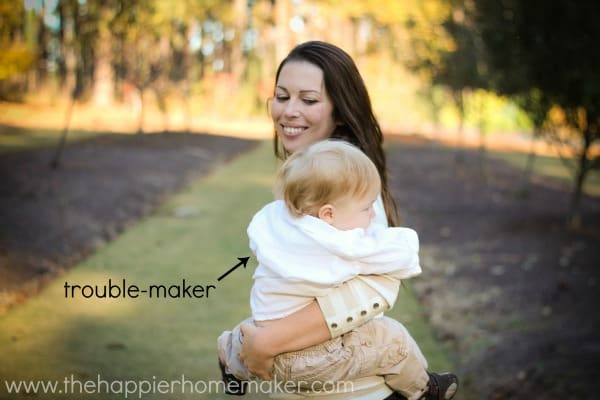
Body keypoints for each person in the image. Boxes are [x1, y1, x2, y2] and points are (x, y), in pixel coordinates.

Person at [234, 41, 457, 399]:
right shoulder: (311, 179)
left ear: (339, 111)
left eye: (308, 100)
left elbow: (375, 287)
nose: (289, 111)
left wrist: (267, 342)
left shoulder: (349, 187)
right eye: (281, 96)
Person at [218, 140, 458, 400]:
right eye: (367, 208)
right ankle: (423, 390)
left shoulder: (278, 221)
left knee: (253, 325)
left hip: (258, 337)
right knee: (391, 338)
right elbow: (398, 255)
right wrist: (397, 241)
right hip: (311, 359)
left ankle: (230, 353)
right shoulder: (340, 246)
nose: (371, 216)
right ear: (328, 214)